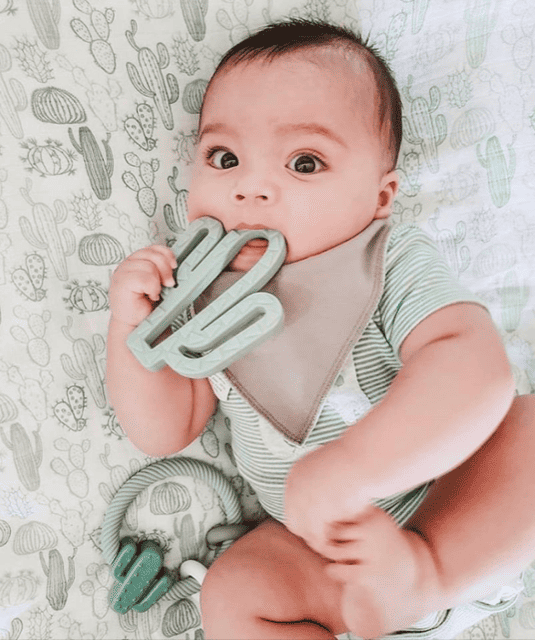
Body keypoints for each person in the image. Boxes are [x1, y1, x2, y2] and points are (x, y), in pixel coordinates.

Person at [106, 19, 535, 640]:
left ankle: (426, 577)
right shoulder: (198, 296)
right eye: (223, 158)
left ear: (380, 197)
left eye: (304, 163)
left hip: (459, 516)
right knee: (235, 588)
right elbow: (163, 429)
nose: (250, 187)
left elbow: (473, 368)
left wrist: (354, 470)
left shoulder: (384, 260)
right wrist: (131, 325)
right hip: (322, 564)